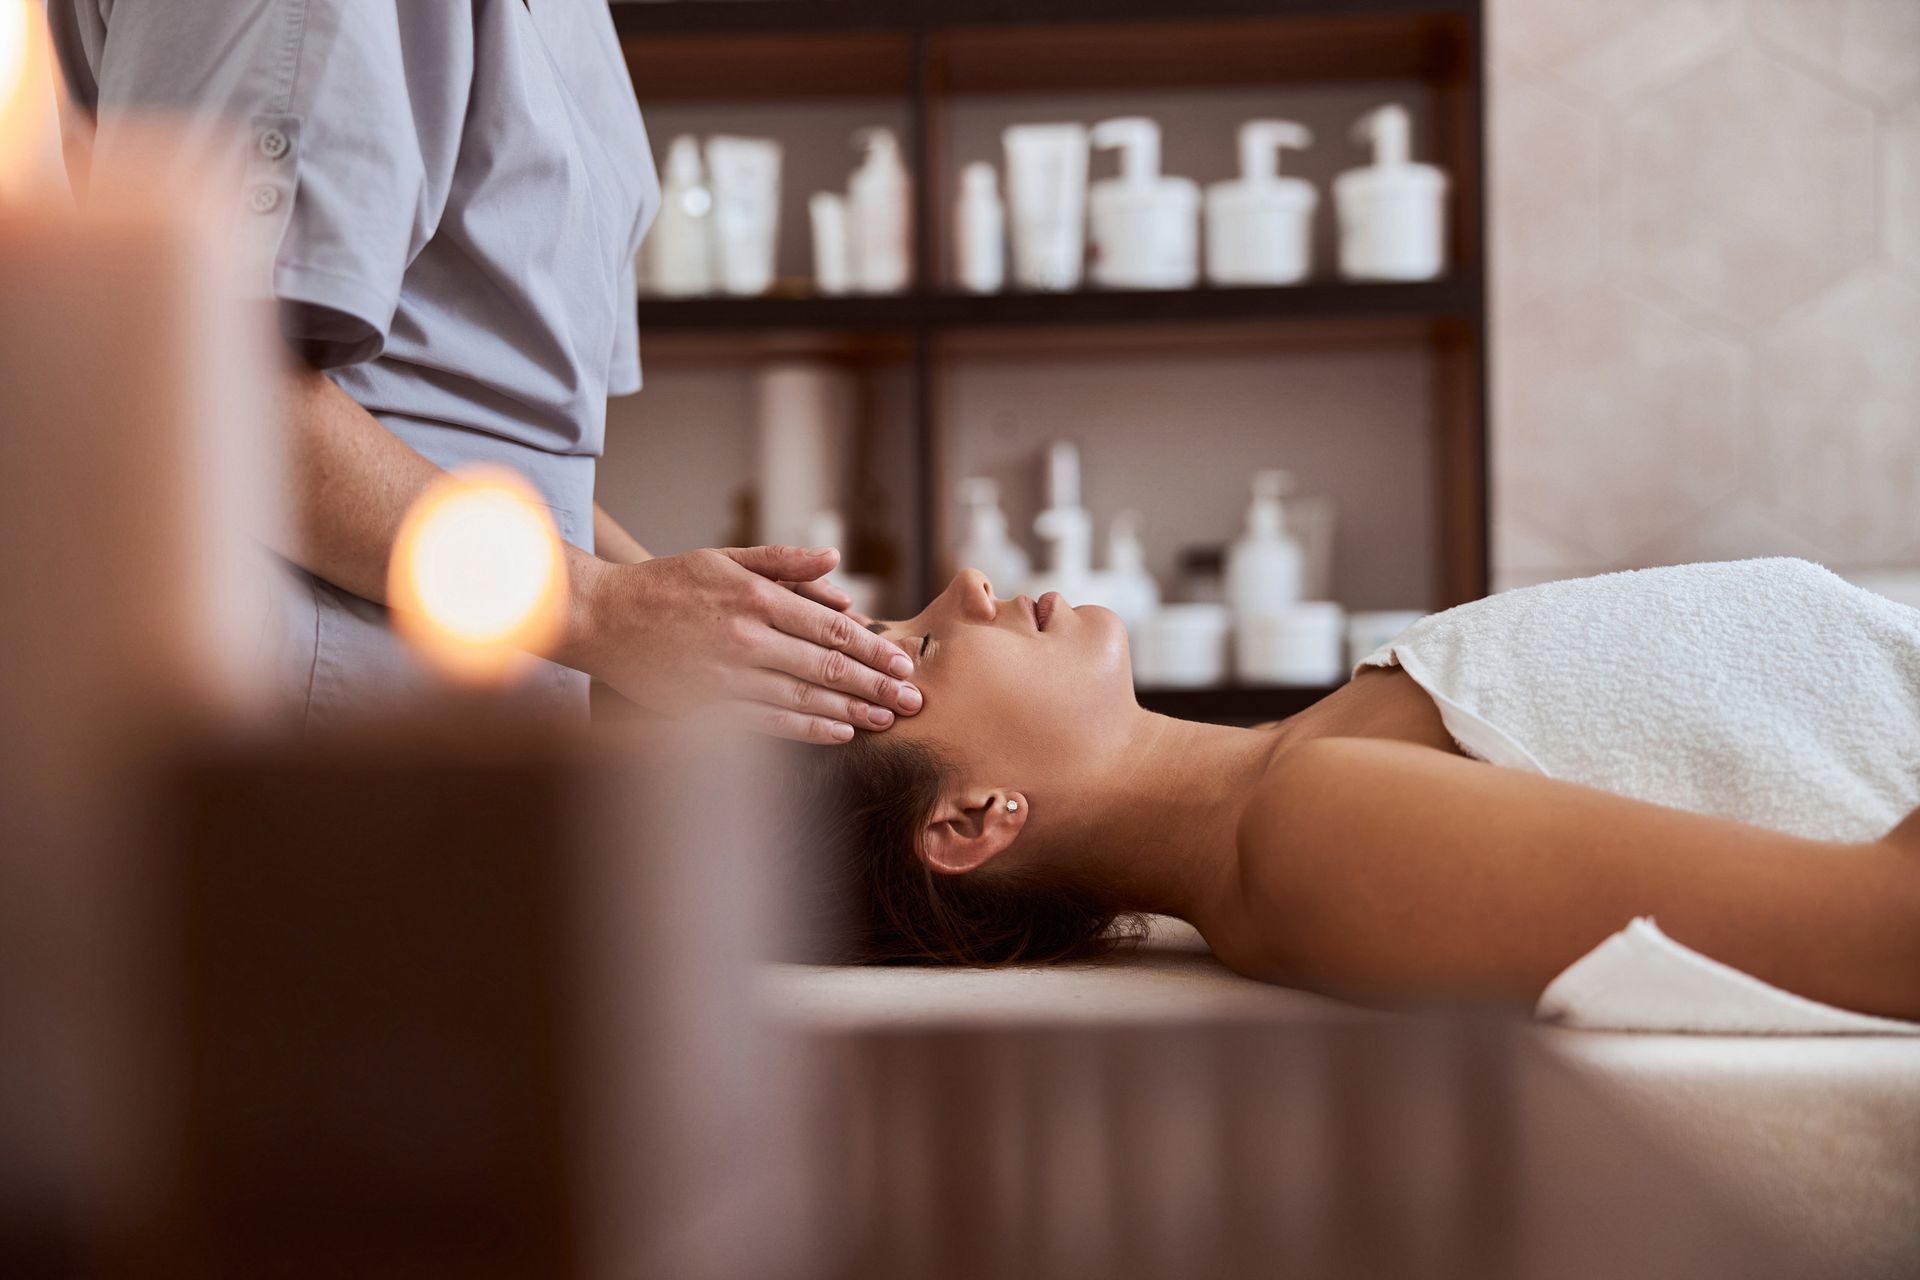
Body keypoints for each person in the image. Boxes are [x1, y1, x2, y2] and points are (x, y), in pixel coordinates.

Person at [47, 1, 919, 742]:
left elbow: (496, 435)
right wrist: (605, 611)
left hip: (470, 719)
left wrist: (702, 625)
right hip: (314, 712)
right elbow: (194, 384)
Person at [798, 560, 1920, 1023]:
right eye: (928, 648)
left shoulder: (1303, 764)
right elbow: (1892, 923)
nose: (968, 585)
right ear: (969, 819)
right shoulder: (1310, 834)